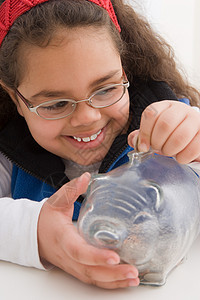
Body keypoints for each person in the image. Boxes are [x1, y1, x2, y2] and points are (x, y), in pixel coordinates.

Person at [0, 0, 199, 290]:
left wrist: (192, 139)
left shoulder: (170, 123)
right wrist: (36, 233)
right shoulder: (10, 152)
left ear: (124, 69)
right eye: (55, 104)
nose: (88, 117)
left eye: (106, 89)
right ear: (16, 98)